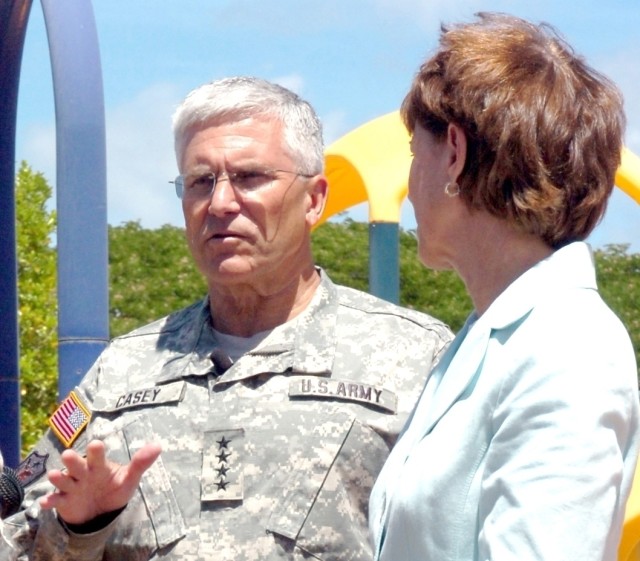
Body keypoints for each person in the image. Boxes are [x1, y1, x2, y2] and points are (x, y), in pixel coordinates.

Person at [2, 76, 452, 560]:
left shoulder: (416, 359)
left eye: (249, 177)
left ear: (315, 199)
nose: (219, 203)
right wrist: (78, 526)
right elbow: (18, 544)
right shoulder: (120, 373)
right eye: (200, 182)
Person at [369, 12, 640, 561]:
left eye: (412, 152)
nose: (408, 182)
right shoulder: (502, 336)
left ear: (453, 152)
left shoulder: (569, 349)